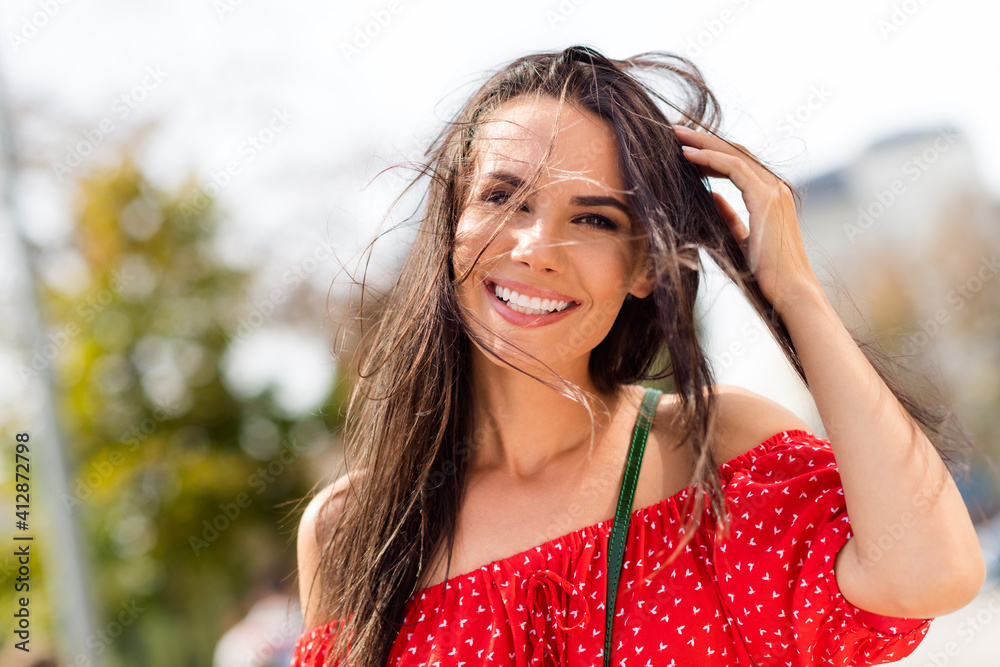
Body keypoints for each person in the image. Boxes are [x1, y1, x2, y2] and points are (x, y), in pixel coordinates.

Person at [290, 45, 985, 666]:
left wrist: (794, 290)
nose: (535, 248)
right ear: (452, 226)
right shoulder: (350, 525)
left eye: (593, 218)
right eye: (503, 196)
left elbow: (932, 571)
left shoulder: (715, 452)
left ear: (644, 267)